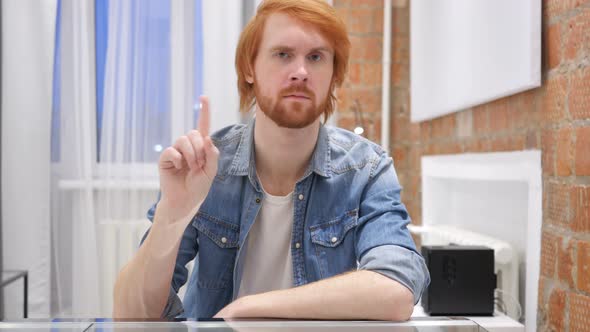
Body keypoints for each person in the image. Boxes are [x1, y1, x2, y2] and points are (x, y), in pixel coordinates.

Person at [113, 0, 429, 321]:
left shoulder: (367, 169)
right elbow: (130, 313)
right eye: (283, 55)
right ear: (250, 68)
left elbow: (396, 286)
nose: (301, 72)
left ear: (334, 75)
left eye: (316, 57)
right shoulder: (204, 167)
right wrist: (171, 216)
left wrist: (248, 308)